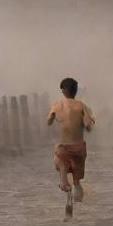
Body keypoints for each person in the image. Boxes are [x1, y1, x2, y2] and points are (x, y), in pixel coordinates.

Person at [47, 77, 95, 212]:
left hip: (63, 147)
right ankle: (76, 185)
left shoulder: (57, 105)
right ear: (75, 91)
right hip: (79, 147)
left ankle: (64, 183)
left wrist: (54, 117)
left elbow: (48, 122)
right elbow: (88, 126)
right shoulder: (81, 106)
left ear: (63, 90)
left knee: (61, 160)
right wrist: (87, 123)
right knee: (77, 176)